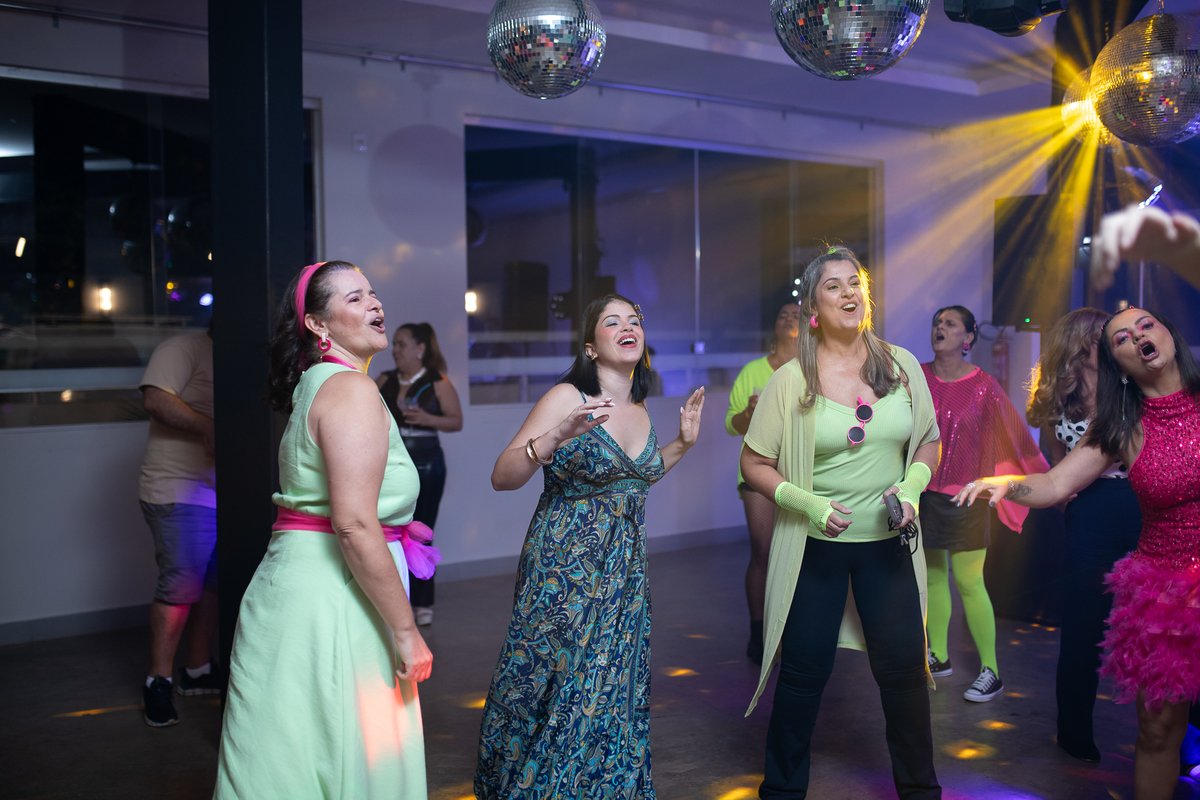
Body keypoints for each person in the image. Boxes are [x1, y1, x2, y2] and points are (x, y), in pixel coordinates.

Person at [956, 304, 1199, 800]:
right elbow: (1054, 483)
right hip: (1165, 595)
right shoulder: (1121, 425)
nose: (1138, 336)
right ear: (1117, 365)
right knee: (1157, 731)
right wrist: (1007, 485)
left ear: (1169, 334)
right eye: (1121, 338)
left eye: (1146, 325)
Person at [213, 261, 436, 798]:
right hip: (333, 599)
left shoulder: (317, 384)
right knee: (350, 752)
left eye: (373, 293)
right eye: (354, 298)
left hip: (301, 588)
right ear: (317, 324)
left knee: (295, 756)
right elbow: (355, 524)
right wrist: (406, 631)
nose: (375, 303)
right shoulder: (350, 390)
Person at [474, 293, 705, 800]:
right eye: (612, 321)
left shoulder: (640, 408)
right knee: (548, 681)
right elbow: (502, 476)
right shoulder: (566, 397)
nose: (628, 327)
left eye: (634, 320)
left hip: (624, 571)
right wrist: (556, 435)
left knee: (607, 685)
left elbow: (633, 480)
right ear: (590, 347)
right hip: (565, 569)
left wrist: (683, 444)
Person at [741, 247, 942, 799]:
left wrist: (912, 487)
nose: (849, 292)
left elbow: (928, 440)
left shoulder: (902, 366)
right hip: (816, 549)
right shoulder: (791, 380)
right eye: (833, 286)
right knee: (803, 676)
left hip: (888, 545)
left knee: (904, 675)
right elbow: (754, 463)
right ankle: (782, 792)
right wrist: (807, 504)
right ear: (813, 308)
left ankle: (921, 792)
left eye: (855, 282)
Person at [1026, 307, 1141, 761]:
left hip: (1141, 502)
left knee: (1159, 621)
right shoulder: (1059, 401)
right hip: (1090, 511)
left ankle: (1182, 734)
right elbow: (1058, 466)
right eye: (1106, 335)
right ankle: (1074, 733)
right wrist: (1066, 499)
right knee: (1083, 625)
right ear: (1081, 342)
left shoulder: (1132, 389)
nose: (1117, 342)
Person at [919, 305, 1048, 703]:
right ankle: (938, 656)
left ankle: (991, 672)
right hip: (924, 493)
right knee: (933, 577)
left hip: (968, 496)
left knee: (969, 582)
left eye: (950, 324)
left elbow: (1015, 435)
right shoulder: (916, 377)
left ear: (969, 337)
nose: (940, 328)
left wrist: (1047, 480)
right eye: (937, 323)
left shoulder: (984, 386)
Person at [137, 321, 219, 727]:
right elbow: (155, 399)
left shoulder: (240, 358)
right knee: (181, 588)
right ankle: (158, 681)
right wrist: (207, 426)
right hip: (177, 490)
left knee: (214, 585)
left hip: (222, 493)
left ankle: (197, 670)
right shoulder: (183, 348)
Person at [726, 301, 802, 665]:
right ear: (774, 326)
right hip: (759, 472)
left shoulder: (813, 367)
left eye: (796, 314)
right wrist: (749, 412)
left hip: (802, 472)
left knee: (802, 555)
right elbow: (732, 426)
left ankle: (793, 630)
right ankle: (759, 632)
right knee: (764, 551)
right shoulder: (753, 371)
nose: (788, 318)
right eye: (782, 314)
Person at [378, 322, 463, 627]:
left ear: (420, 348)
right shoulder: (384, 380)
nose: (395, 350)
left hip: (427, 464)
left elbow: (456, 422)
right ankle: (393, 599)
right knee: (387, 530)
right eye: (394, 344)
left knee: (420, 531)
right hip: (388, 463)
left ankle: (423, 601)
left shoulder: (438, 381)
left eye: (401, 344)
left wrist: (427, 418)